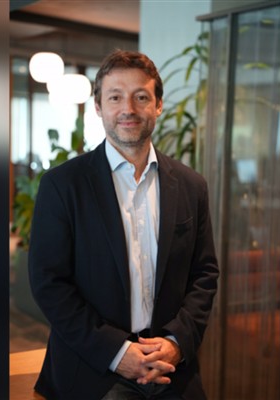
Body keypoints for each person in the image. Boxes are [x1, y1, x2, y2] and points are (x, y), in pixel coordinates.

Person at [28, 50, 219, 400]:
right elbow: (49, 282)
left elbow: (204, 275)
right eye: (115, 97)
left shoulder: (192, 186)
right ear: (98, 107)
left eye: (141, 97)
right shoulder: (62, 185)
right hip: (93, 370)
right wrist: (117, 353)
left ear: (158, 105)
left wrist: (176, 342)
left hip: (170, 369)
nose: (128, 109)